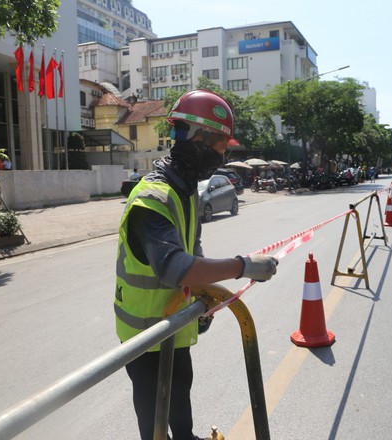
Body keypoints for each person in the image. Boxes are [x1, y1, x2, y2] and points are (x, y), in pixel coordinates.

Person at [114, 89, 278, 440]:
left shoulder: (184, 192)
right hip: (146, 336)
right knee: (154, 421)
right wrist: (243, 266)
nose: (223, 153)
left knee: (180, 404)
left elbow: (194, 251)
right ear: (196, 137)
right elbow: (176, 266)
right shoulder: (151, 199)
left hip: (174, 325)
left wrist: (202, 300)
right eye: (221, 144)